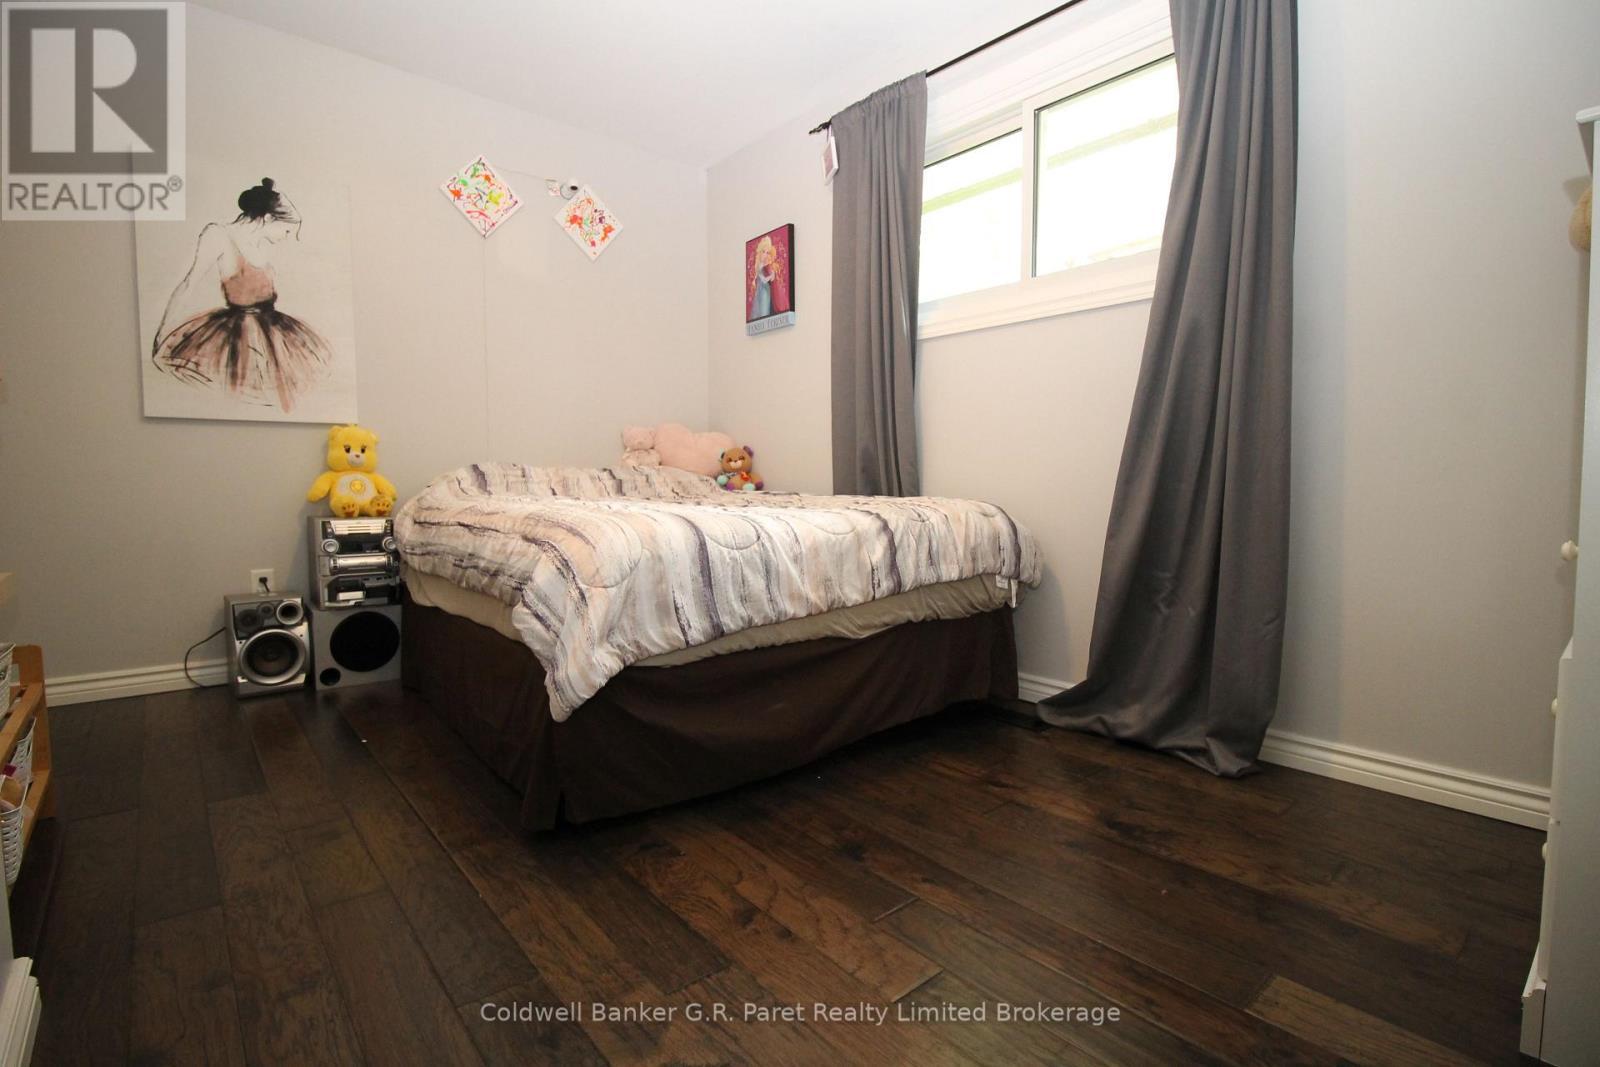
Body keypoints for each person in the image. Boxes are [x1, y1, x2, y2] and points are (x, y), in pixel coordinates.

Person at [152, 178, 331, 412]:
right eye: (287, 230)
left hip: (274, 332)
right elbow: (188, 284)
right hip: (236, 335)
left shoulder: (260, 244)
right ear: (267, 219)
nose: (287, 236)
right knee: (236, 395)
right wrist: (162, 334)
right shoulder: (218, 235)